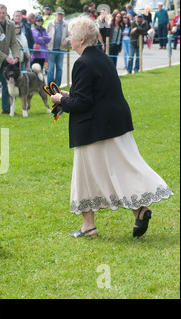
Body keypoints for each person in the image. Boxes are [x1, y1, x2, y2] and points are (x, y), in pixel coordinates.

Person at [49, 16, 173, 238]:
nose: (69, 39)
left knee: (88, 175)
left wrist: (60, 101)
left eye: (71, 35)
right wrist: (69, 95)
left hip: (95, 129)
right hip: (113, 124)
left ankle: (89, 226)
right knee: (119, 170)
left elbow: (83, 103)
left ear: (81, 38)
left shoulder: (82, 63)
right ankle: (138, 210)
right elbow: (94, 94)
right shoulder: (102, 58)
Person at [46, 7, 68, 86]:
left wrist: (66, 40)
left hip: (60, 50)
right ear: (56, 15)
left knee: (59, 68)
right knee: (50, 69)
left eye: (61, 14)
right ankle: (50, 85)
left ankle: (57, 86)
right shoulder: (50, 23)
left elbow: (69, 36)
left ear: (63, 15)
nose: (60, 16)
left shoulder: (66, 24)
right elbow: (45, 34)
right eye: (59, 14)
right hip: (51, 49)